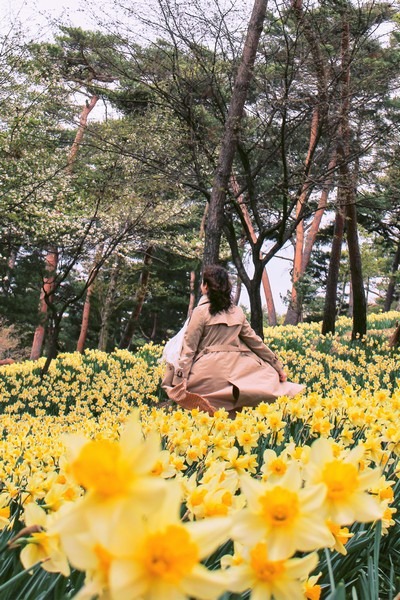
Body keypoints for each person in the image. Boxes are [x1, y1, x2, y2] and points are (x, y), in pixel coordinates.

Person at [162, 265, 304, 416]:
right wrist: (277, 366)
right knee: (244, 398)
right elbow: (255, 342)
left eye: (203, 283)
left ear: (206, 286)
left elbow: (189, 349)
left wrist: (179, 381)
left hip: (208, 371)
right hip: (239, 369)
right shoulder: (237, 311)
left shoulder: (200, 312)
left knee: (181, 389)